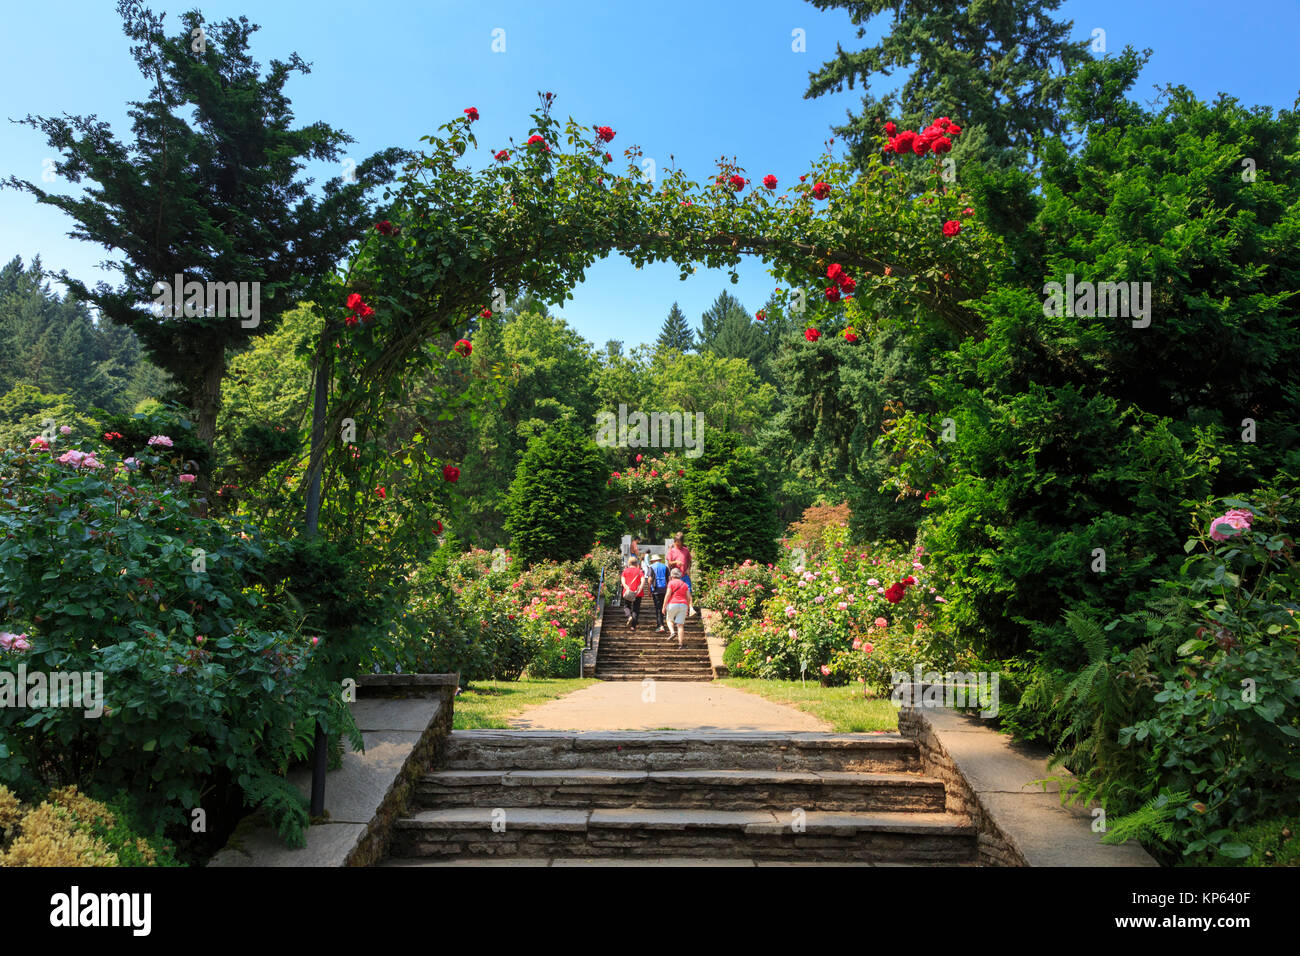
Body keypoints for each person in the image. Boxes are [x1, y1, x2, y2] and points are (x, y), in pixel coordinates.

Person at [663, 566, 693, 647]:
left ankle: (672, 632)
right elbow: (688, 597)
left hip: (672, 603)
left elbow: (668, 595)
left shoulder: (671, 583)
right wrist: (688, 607)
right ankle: (680, 644)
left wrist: (663, 606)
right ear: (680, 575)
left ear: (672, 576)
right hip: (683, 605)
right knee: (680, 625)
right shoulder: (684, 584)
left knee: (669, 620)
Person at [668, 532, 695, 612]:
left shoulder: (686, 550)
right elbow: (669, 563)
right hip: (675, 576)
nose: (678, 545)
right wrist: (676, 562)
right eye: (677, 543)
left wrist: (688, 569)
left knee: (688, 590)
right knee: (674, 592)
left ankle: (691, 608)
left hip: (684, 574)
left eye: (680, 543)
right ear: (675, 542)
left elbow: (690, 561)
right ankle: (672, 609)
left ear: (682, 542)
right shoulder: (671, 551)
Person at [620, 555, 645, 630]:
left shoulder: (625, 571)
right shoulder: (639, 571)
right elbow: (643, 580)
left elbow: (622, 579)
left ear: (629, 563)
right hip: (637, 592)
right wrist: (640, 588)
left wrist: (625, 586)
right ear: (636, 563)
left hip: (628, 592)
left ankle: (629, 616)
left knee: (626, 606)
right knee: (636, 609)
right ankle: (633, 626)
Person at [647, 552, 669, 632]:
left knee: (658, 608)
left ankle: (660, 626)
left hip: (656, 590)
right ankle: (662, 624)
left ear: (653, 561)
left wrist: (649, 590)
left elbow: (649, 580)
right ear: (659, 560)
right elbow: (668, 580)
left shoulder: (651, 567)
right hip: (664, 589)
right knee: (663, 607)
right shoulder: (665, 567)